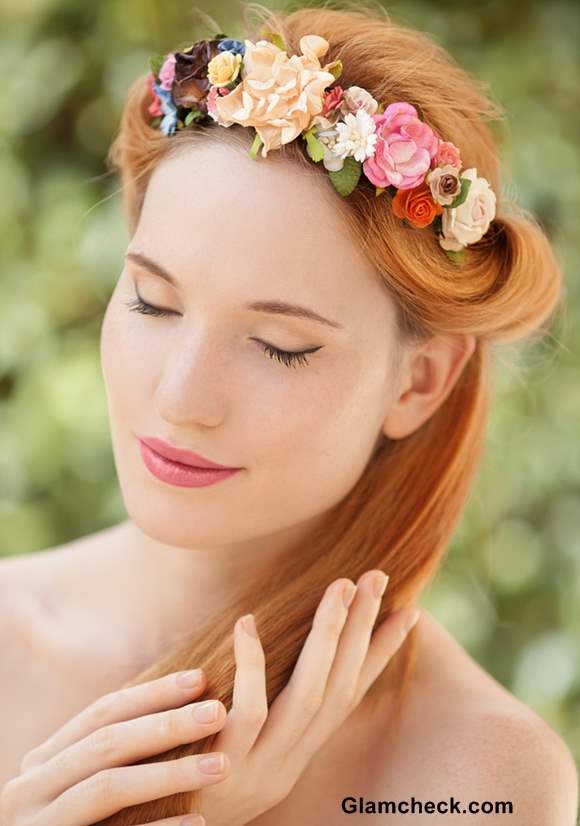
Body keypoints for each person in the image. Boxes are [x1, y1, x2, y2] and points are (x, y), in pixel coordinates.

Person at [1, 3, 577, 825]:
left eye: (278, 345)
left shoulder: (477, 778)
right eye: (153, 302)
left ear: (419, 383)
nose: (179, 398)